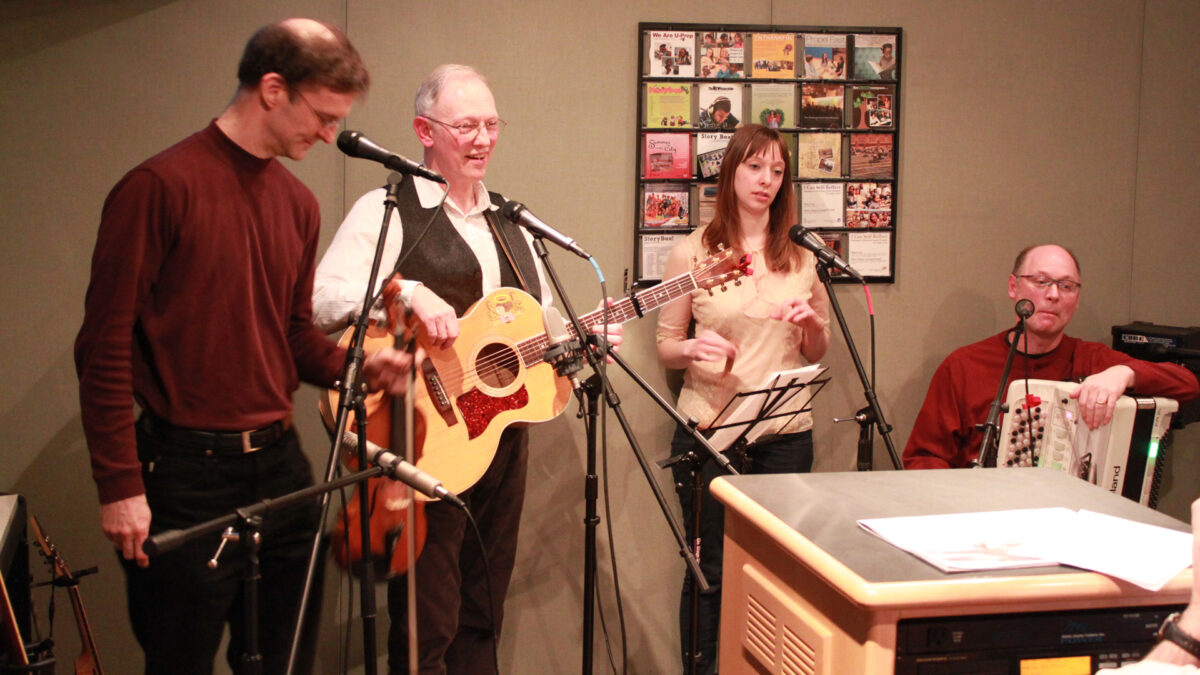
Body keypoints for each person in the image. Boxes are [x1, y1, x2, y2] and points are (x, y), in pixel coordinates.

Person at [74, 18, 412, 674]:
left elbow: (288, 336)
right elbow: (104, 347)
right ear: (272, 88)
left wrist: (357, 364)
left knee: (286, 660)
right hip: (182, 472)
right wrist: (118, 484)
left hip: (281, 467)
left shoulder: (297, 203)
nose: (327, 134)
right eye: (321, 116)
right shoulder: (158, 188)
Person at [312, 64, 620, 674]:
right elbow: (321, 300)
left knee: (483, 609)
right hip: (423, 441)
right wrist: (402, 292)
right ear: (425, 130)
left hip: (500, 442)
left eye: (490, 125)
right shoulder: (387, 208)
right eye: (466, 126)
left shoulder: (514, 224)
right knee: (429, 620)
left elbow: (534, 332)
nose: (483, 140)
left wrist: (581, 341)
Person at [656, 124, 831, 675]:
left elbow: (818, 346)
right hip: (712, 428)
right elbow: (665, 346)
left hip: (785, 434)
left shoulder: (801, 254)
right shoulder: (692, 249)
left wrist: (812, 324)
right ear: (731, 172)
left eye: (778, 171)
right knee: (711, 569)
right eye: (755, 167)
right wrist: (691, 347)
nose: (767, 181)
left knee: (780, 569)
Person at [903, 244, 1198, 469]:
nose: (1054, 295)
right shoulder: (964, 366)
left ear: (1077, 299)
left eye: (1066, 286)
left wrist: (1124, 373)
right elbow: (923, 457)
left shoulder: (1091, 358)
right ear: (1013, 287)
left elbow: (1188, 384)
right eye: (1041, 281)